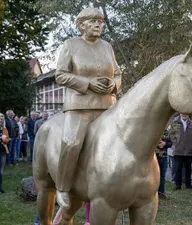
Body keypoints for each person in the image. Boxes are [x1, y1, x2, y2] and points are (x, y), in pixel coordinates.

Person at [54, 8, 121, 208]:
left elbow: (117, 73)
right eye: (93, 21)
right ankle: (63, 187)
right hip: (79, 106)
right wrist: (88, 83)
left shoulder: (107, 46)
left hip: (108, 106)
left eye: (100, 21)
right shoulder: (70, 45)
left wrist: (114, 85)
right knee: (71, 142)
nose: (98, 25)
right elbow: (60, 75)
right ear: (82, 25)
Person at [170, 114, 192, 190]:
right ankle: (178, 185)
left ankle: (188, 184)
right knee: (178, 168)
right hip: (178, 150)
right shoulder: (175, 122)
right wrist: (176, 143)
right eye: (182, 113)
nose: (184, 114)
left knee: (188, 168)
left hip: (188, 150)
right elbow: (172, 134)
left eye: (186, 113)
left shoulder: (191, 123)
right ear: (180, 113)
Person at [155, 129, 172, 199]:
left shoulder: (166, 132)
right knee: (154, 176)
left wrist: (164, 143)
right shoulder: (153, 129)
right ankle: (153, 193)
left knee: (162, 176)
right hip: (154, 157)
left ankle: (161, 192)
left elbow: (170, 143)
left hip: (164, 157)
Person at [0, 113, 10, 194]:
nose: (1, 119)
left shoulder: (5, 129)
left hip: (3, 152)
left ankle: (0, 188)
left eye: (2, 117)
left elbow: (7, 140)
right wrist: (1, 138)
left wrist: (5, 139)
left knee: (1, 171)